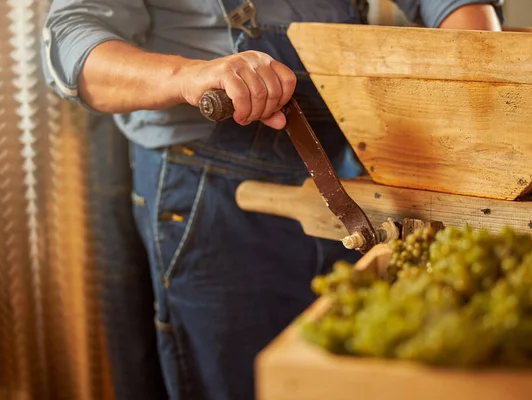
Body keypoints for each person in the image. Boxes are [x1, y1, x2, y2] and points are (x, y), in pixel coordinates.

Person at [41, 1, 503, 399]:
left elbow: (460, 10)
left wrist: (482, 64)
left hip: (355, 172)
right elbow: (73, 45)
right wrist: (191, 76)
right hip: (215, 194)